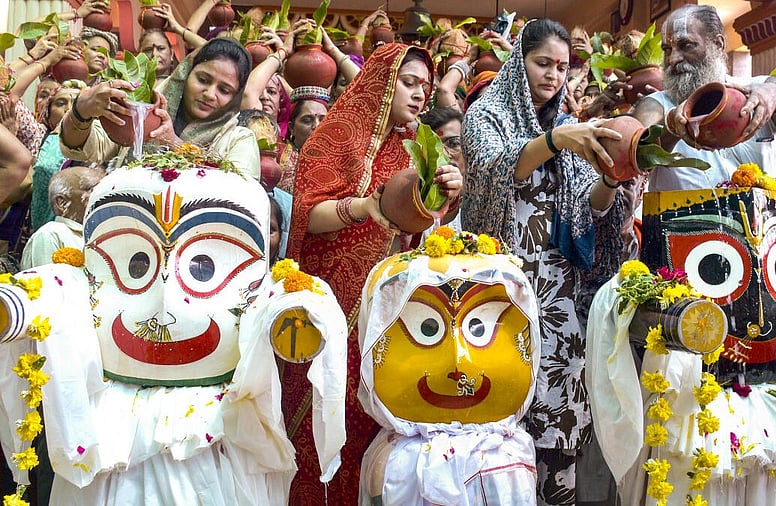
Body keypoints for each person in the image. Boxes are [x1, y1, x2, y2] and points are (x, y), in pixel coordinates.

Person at [283, 43, 463, 505]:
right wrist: (363, 207)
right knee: (315, 423)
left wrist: (446, 194)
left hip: (383, 315)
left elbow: (423, 224)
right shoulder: (333, 137)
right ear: (381, 81)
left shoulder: (418, 147)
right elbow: (307, 214)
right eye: (409, 82)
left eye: (426, 85)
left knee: (369, 426)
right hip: (328, 308)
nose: (420, 94)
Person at [461, 19, 626, 505]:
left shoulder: (563, 124)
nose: (554, 75)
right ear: (518, 63)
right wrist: (556, 142)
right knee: (503, 400)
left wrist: (612, 179)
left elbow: (586, 206)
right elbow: (494, 170)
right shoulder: (486, 115)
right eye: (543, 63)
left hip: (557, 290)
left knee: (558, 411)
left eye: (562, 67)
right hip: (500, 285)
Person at [631, 5, 776, 191]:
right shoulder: (657, 105)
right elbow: (635, 156)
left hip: (768, 218)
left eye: (686, 46)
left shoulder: (758, 89)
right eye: (667, 49)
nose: (673, 59)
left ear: (718, 44)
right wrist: (671, 126)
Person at [60, 38, 260, 179]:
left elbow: (240, 191)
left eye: (224, 90)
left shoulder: (239, 140)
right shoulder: (144, 113)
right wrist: (81, 111)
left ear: (235, 98)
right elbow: (85, 149)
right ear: (185, 74)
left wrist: (174, 143)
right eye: (203, 80)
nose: (209, 93)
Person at [21, 165, 103, 270]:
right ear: (63, 203)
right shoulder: (51, 234)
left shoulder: (104, 232)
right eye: (93, 189)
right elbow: (50, 282)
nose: (102, 194)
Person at [32, 80, 87, 233]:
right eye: (61, 103)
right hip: (41, 230)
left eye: (77, 104)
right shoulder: (37, 136)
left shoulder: (101, 146)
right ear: (48, 112)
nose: (69, 109)